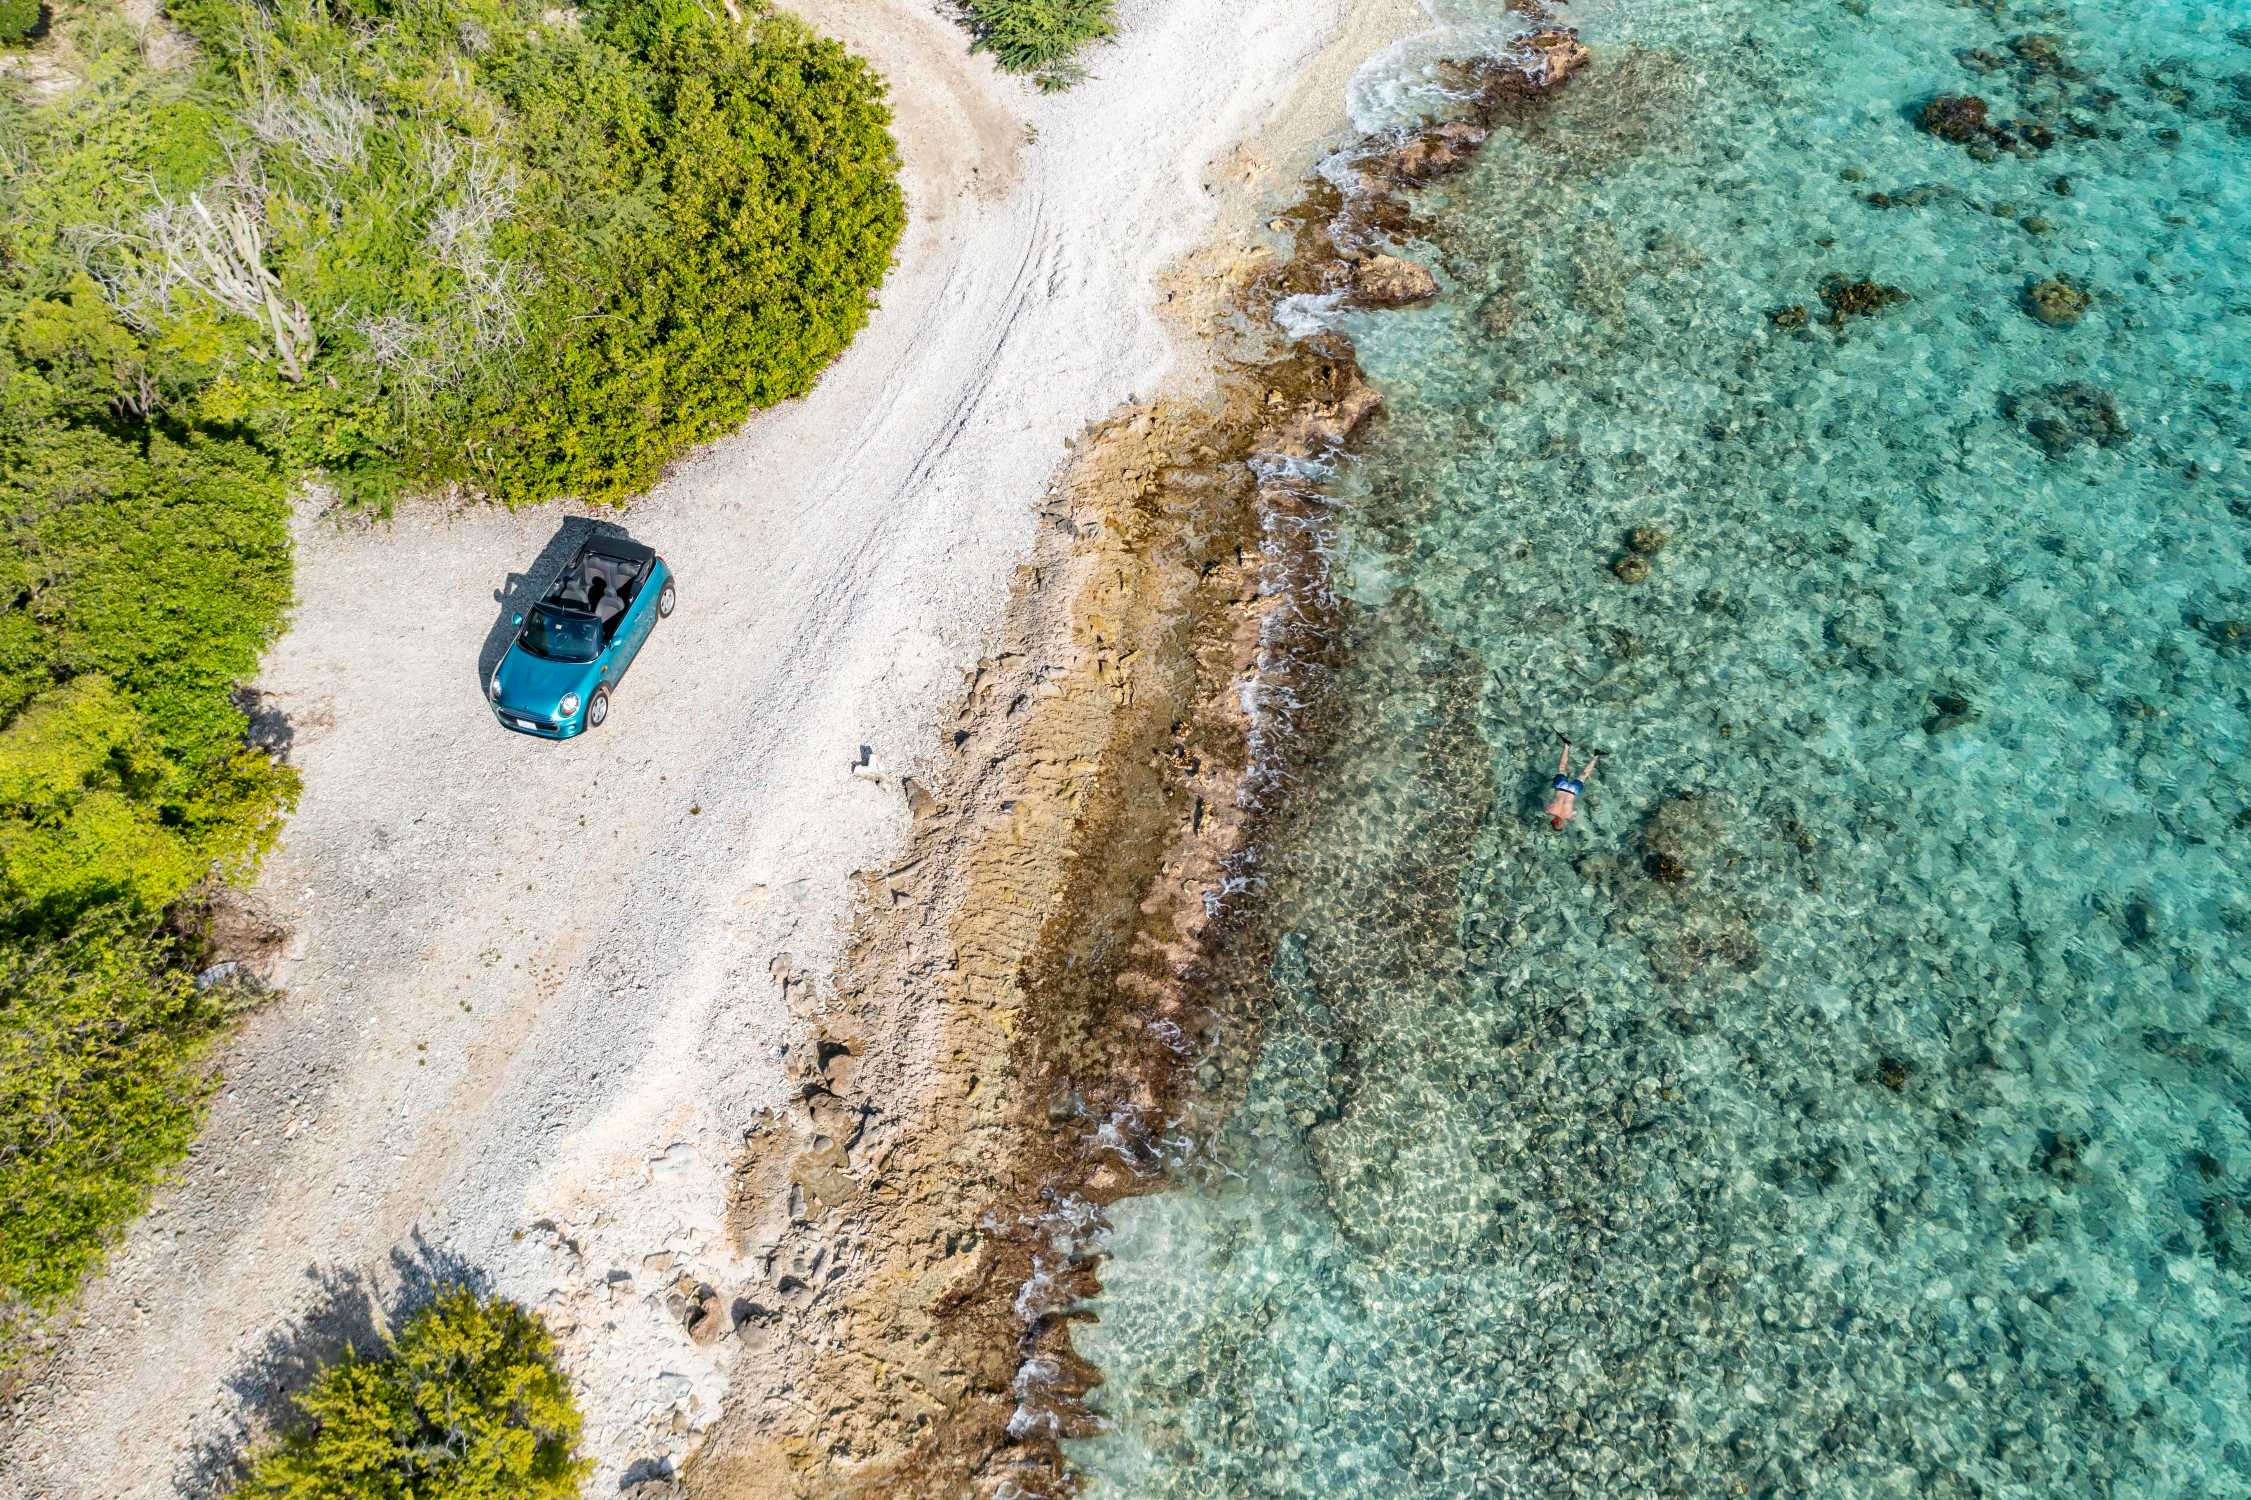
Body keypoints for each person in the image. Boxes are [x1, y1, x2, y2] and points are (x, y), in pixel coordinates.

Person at [1547, 740, 1598, 829]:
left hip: (1573, 791)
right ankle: (1567, 746)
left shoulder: (1570, 816)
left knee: (1584, 775)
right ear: (1554, 821)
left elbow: (1577, 808)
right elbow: (1549, 798)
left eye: (1562, 826)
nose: (1563, 825)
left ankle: (1596, 756)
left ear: (1559, 823)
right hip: (1561, 787)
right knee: (1562, 767)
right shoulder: (1550, 810)